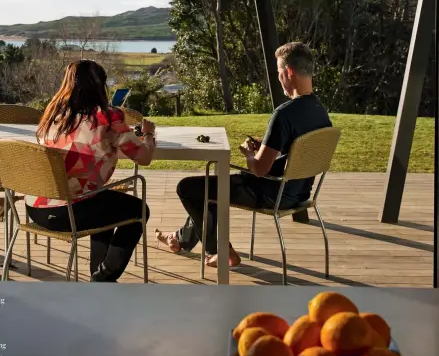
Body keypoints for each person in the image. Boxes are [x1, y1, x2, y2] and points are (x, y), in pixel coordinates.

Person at [156, 42, 332, 269]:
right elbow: (295, 149)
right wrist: (265, 146)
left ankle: (221, 251)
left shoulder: (284, 114)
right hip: (298, 192)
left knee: (189, 188)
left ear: (288, 72)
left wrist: (250, 153)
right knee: (210, 189)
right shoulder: (320, 111)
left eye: (279, 73)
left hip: (270, 192)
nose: (279, 79)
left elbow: (259, 169)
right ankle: (180, 239)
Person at [27, 59, 156, 282]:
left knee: (103, 203)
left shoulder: (52, 115)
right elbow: (143, 158)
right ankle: (103, 279)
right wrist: (149, 136)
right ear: (100, 85)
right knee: (139, 210)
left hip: (37, 208)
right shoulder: (107, 116)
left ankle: (99, 273)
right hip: (69, 212)